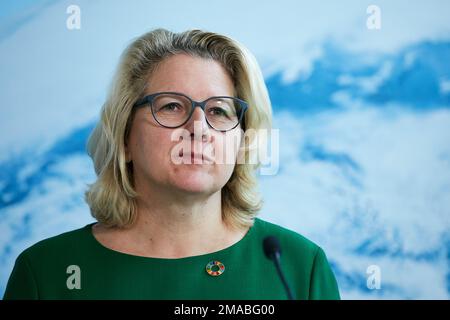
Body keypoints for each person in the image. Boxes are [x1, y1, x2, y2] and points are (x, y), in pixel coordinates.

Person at [3, 28, 340, 300]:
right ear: (124, 137)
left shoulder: (298, 266)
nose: (198, 128)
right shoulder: (45, 272)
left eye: (219, 111)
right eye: (171, 107)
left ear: (240, 142)